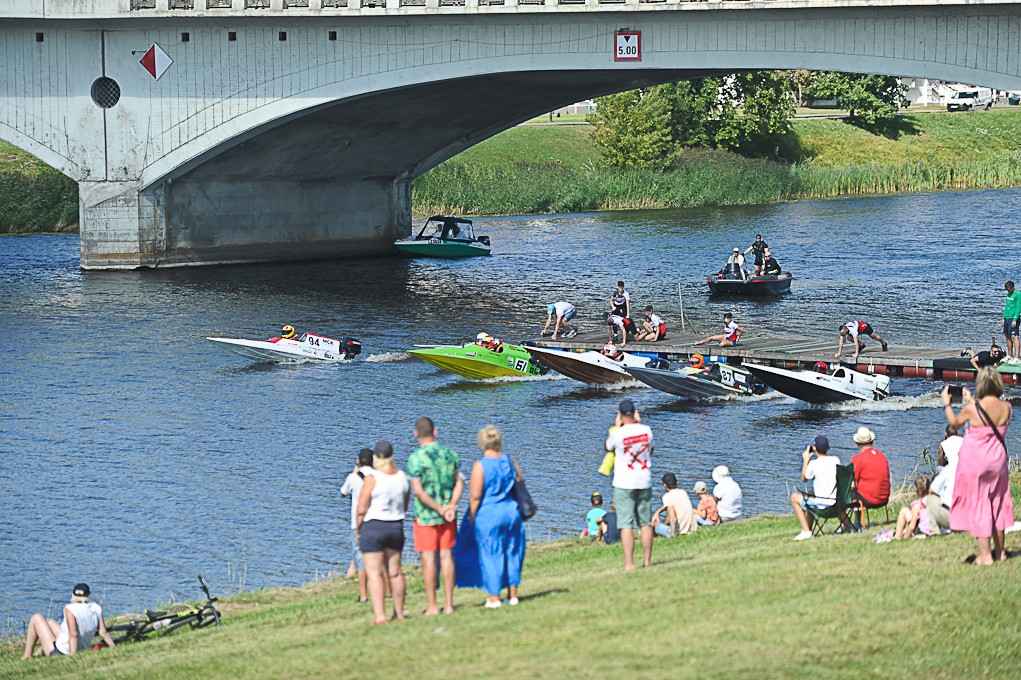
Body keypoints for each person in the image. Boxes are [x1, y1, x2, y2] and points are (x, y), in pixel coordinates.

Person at [942, 369, 1014, 565]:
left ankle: (985, 555)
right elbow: (988, 420)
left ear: (980, 385)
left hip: (977, 462)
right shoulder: (1007, 407)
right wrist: (971, 401)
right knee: (997, 503)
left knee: (981, 504)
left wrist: (947, 404)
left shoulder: (972, 409)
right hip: (998, 461)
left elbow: (954, 423)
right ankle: (1001, 552)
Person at [407, 417, 464, 617]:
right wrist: (451, 506)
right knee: (447, 557)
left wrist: (439, 509)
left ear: (416, 434)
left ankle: (432, 606)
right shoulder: (449, 454)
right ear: (435, 432)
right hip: (448, 516)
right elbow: (459, 482)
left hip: (425, 517)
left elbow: (418, 492)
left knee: (429, 560)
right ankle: (449, 605)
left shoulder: (415, 458)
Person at [467, 425, 526, 607]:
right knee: (512, 551)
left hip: (489, 514)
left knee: (491, 554)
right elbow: (520, 485)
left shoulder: (480, 465)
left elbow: (475, 496)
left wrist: (471, 516)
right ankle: (513, 596)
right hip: (511, 511)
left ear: (482, 443)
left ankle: (494, 598)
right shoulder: (510, 461)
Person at [356, 441, 410, 624]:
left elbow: (362, 509)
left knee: (374, 573)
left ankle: (380, 616)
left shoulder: (372, 479)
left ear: (375, 457)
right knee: (395, 572)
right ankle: (399, 613)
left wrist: (358, 529)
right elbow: (405, 505)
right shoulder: (402, 477)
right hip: (395, 527)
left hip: (374, 527)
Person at [605, 399, 654, 571]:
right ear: (635, 413)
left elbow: (607, 447)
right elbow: (651, 450)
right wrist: (639, 423)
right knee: (645, 523)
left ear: (619, 414)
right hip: (644, 480)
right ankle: (647, 561)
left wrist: (616, 426)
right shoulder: (646, 430)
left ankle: (629, 564)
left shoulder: (617, 433)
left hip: (624, 482)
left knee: (626, 524)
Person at [21, 584, 115, 659]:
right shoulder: (96, 608)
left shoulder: (70, 609)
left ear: (73, 596)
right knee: (50, 622)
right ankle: (38, 652)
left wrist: (72, 657)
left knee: (36, 618)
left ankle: (27, 655)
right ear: (89, 596)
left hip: (61, 652)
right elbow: (103, 632)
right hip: (83, 648)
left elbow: (73, 635)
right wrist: (114, 647)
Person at [340, 447, 376, 603]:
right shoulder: (377, 476)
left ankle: (363, 594)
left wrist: (354, 473)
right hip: (375, 520)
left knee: (358, 553)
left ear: (358, 461)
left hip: (357, 522)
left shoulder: (353, 477)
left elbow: (343, 492)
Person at [790, 436, 840, 541]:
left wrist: (806, 460)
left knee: (794, 497)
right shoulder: (836, 460)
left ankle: (806, 531)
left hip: (822, 506)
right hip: (836, 505)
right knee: (810, 494)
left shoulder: (813, 464)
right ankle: (809, 528)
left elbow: (804, 479)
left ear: (814, 448)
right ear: (828, 448)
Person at [928, 425, 962, 534]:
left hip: (951, 470)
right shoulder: (963, 441)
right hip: (964, 468)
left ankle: (940, 489)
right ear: (957, 433)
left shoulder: (943, 444)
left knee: (938, 469)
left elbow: (940, 463)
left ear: (946, 434)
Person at [849, 427, 890, 515]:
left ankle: (854, 522)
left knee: (846, 494)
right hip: (884, 498)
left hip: (868, 500)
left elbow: (852, 485)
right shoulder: (882, 456)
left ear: (857, 443)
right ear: (872, 441)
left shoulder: (857, 458)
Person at [651, 473, 696, 538]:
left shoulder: (667, 496)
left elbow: (673, 518)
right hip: (692, 529)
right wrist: (658, 512)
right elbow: (670, 506)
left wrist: (672, 535)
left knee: (654, 523)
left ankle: (654, 536)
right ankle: (664, 528)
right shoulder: (683, 492)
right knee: (670, 512)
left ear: (664, 485)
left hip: (680, 531)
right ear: (676, 483)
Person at [1002, 281, 1020, 364]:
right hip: (1007, 317)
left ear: (1013, 287)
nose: (1008, 291)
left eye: (1009, 290)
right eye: (1007, 290)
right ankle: (1010, 355)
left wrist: (1015, 319)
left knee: (1014, 336)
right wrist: (1003, 318)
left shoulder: (1018, 294)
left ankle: (1017, 357)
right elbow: (1006, 307)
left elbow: (1018, 308)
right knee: (1007, 336)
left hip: (1013, 317)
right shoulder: (1008, 294)